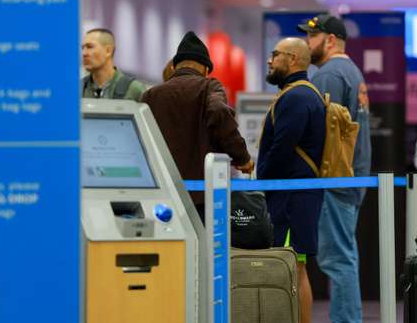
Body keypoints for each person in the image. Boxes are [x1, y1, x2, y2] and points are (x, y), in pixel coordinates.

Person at [298, 13, 371, 323]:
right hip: (352, 177)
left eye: (311, 38)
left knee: (337, 259)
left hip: (335, 178)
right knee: (342, 256)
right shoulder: (352, 72)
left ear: (329, 40)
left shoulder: (329, 75)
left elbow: (317, 133)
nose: (306, 43)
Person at [141, 31, 253, 206]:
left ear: (175, 66)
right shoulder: (210, 86)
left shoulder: (151, 95)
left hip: (164, 192)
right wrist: (242, 157)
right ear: (206, 69)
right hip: (203, 195)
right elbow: (218, 111)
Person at [257, 37, 325, 323]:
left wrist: (260, 180)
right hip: (294, 196)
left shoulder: (297, 97)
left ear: (294, 59)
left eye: (275, 54)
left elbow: (282, 148)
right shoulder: (301, 94)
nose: (270, 60)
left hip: (290, 199)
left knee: (293, 269)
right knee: (294, 268)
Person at [81, 28, 145, 101]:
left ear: (108, 51)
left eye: (90, 47)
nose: (84, 53)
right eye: (82, 48)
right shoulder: (77, 90)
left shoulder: (134, 90)